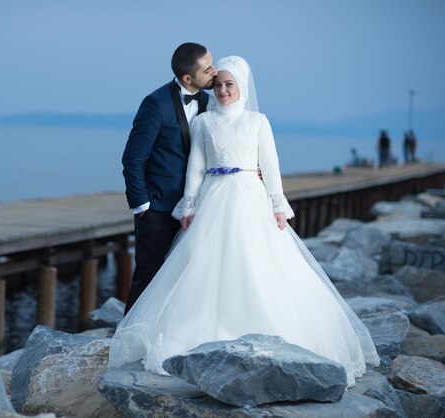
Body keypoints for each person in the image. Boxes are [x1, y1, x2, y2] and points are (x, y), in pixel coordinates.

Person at [109, 56, 380, 387]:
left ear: (242, 88)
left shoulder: (257, 121)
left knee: (252, 259)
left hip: (249, 196)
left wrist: (277, 203)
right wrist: (189, 204)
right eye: (218, 83)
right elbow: (195, 165)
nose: (222, 89)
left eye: (229, 84)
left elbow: (271, 163)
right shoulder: (203, 122)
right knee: (202, 263)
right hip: (212, 197)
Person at [121, 42, 216, 314]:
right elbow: (133, 159)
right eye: (207, 69)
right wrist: (142, 207)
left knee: (186, 276)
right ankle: (126, 338)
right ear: (188, 78)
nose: (215, 71)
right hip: (159, 209)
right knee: (149, 276)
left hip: (195, 207)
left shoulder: (207, 101)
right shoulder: (155, 104)